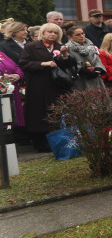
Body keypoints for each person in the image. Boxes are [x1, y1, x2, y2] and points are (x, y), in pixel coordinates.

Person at [18, 23, 76, 152]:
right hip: (37, 85)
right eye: (49, 32)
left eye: (55, 33)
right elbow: (23, 64)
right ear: (42, 33)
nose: (52, 34)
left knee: (55, 113)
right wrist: (42, 64)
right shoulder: (31, 47)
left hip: (57, 86)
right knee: (38, 114)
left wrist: (65, 55)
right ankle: (40, 144)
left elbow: (69, 65)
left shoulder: (60, 47)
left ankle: (58, 141)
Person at [64, 24, 107, 92]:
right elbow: (70, 65)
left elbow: (97, 59)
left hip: (95, 78)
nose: (81, 36)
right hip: (81, 80)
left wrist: (98, 69)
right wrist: (84, 72)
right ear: (70, 37)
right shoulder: (67, 48)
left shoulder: (90, 45)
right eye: (78, 35)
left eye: (82, 33)